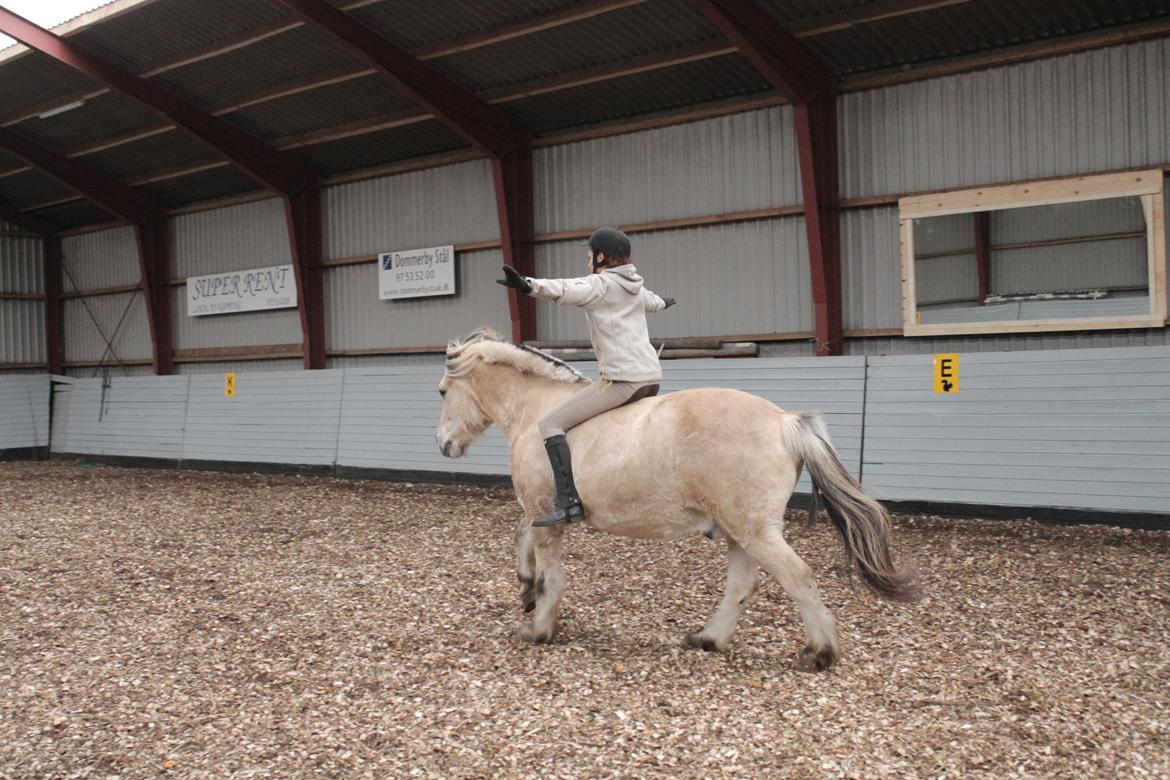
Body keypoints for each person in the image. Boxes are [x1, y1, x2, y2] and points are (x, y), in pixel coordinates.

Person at [496, 227, 676, 526]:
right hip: (651, 378)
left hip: (622, 381)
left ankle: (568, 501)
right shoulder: (635, 287)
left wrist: (528, 285)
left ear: (601, 256)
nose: (586, 261)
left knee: (549, 423)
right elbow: (653, 302)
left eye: (589, 255)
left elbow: (566, 289)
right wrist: (664, 302)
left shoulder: (601, 285)